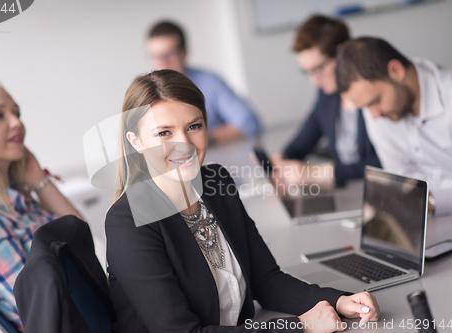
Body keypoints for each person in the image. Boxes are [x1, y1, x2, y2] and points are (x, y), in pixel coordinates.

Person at [105, 69, 380, 332]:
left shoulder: (215, 183)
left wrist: (340, 301)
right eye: (164, 133)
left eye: (194, 126)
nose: (184, 144)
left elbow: (266, 281)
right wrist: (301, 326)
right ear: (136, 141)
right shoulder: (128, 221)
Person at [0, 81, 82, 331]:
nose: (16, 123)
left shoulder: (16, 197)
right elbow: (40, 306)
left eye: (17, 113)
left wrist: (38, 179)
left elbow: (81, 240)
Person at [335, 37, 452, 216]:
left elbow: (414, 195)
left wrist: (430, 200)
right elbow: (404, 181)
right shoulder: (376, 111)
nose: (374, 115)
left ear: (396, 71)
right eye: (366, 107)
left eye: (375, 101)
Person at [271, 15, 380, 188]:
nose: (314, 79)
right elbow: (305, 138)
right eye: (307, 72)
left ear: (341, 52)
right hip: (351, 192)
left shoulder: (373, 93)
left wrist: (323, 173)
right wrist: (280, 160)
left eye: (318, 68)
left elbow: (387, 163)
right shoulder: (327, 95)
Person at [146, 20, 261, 145]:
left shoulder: (209, 82)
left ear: (184, 52)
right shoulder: (144, 92)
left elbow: (249, 123)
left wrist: (199, 138)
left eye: (169, 54)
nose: (162, 63)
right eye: (155, 56)